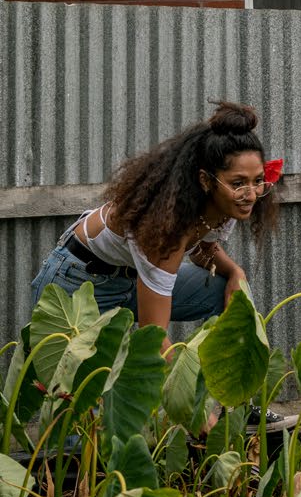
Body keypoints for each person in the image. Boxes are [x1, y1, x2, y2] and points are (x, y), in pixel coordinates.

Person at [30, 102, 282, 354]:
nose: (251, 194)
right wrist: (183, 384)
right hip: (79, 282)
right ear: (206, 180)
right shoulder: (165, 226)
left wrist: (236, 272)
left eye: (258, 180)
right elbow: (154, 337)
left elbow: (201, 250)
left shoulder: (222, 206)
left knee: (222, 291)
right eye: (238, 183)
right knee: (73, 387)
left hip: (131, 280)